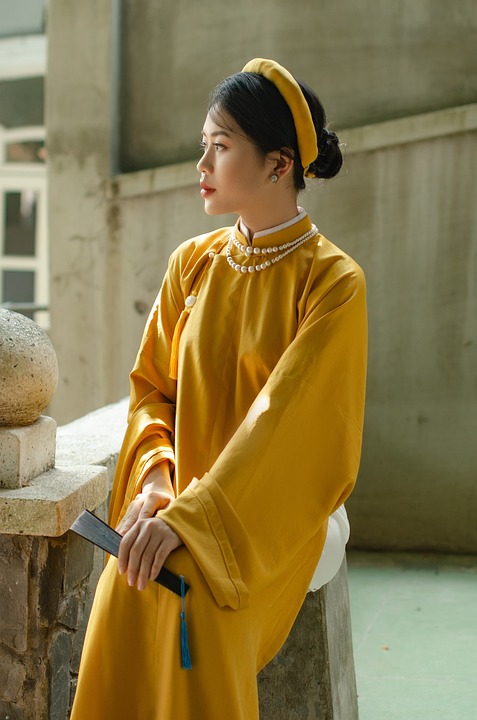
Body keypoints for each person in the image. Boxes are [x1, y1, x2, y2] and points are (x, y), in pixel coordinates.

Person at [71, 57, 367, 720]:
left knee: (193, 598)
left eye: (221, 147)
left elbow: (288, 427)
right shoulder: (192, 263)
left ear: (278, 163)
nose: (200, 165)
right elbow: (152, 390)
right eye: (202, 146)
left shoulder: (333, 283)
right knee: (127, 584)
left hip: (275, 516)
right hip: (183, 496)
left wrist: (193, 522)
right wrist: (154, 483)